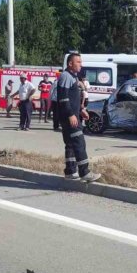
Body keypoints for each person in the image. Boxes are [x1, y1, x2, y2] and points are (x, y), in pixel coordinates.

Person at [57, 53, 100, 182]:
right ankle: (85, 172)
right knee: (79, 143)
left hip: (72, 115)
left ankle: (70, 171)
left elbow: (72, 99)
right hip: (69, 117)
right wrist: (71, 114)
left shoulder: (73, 77)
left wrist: (81, 110)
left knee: (70, 144)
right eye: (78, 62)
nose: (81, 64)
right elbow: (63, 98)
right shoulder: (66, 76)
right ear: (70, 63)